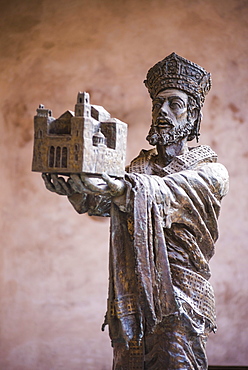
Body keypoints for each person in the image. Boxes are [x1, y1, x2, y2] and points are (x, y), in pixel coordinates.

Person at [42, 53, 229, 370]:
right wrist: (76, 188)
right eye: (158, 104)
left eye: (174, 104)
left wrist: (118, 186)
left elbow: (166, 192)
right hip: (132, 300)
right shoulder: (138, 168)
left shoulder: (210, 172)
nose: (163, 112)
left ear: (193, 115)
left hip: (182, 299)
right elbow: (107, 202)